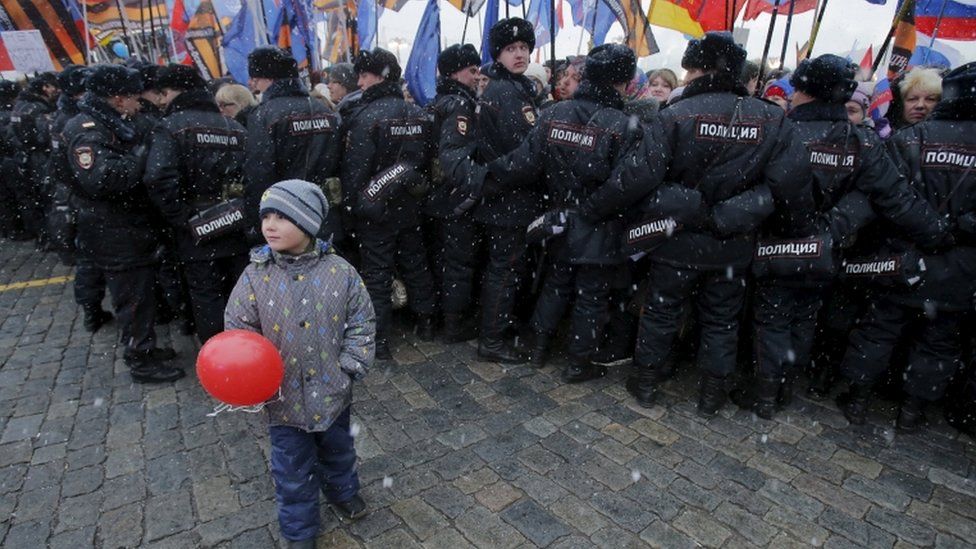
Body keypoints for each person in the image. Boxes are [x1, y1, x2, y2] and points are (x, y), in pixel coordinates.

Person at [580, 32, 786, 415]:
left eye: (690, 69)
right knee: (721, 319)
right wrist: (736, 213)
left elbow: (639, 176)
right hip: (732, 242)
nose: (686, 76)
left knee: (661, 311)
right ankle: (710, 395)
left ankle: (646, 381)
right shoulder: (771, 117)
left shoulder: (677, 114)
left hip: (677, 238)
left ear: (699, 68)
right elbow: (785, 184)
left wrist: (594, 208)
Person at [734, 55, 948, 420]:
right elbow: (894, 197)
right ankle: (783, 386)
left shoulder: (781, 131)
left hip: (778, 244)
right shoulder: (861, 141)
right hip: (827, 251)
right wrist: (938, 234)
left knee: (773, 319)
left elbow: (748, 187)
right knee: (803, 318)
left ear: (803, 91)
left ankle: (767, 392)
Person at [224, 179, 375, 548]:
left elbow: (362, 321)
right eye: (266, 217)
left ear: (307, 223)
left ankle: (342, 491)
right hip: (283, 401)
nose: (269, 225)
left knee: (339, 450)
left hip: (332, 390)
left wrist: (349, 365)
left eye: (281, 217)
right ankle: (300, 530)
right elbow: (238, 330)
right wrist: (250, 377)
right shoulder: (255, 277)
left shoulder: (341, 273)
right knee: (291, 469)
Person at [486, 44, 643, 382]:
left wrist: (484, 172)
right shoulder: (624, 124)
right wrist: (587, 211)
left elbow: (525, 162)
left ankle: (539, 346)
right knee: (591, 294)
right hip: (598, 221)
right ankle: (577, 362)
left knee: (556, 283)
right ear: (622, 82)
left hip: (560, 216)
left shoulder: (555, 113)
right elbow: (625, 184)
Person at [837, 62, 976, 433]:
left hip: (905, 255)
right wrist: (953, 230)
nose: (920, 104)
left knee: (880, 329)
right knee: (937, 340)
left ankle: (859, 397)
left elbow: (888, 199)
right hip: (956, 263)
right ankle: (911, 410)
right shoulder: (905, 138)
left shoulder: (909, 139)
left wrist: (930, 230)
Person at [61, 64, 183, 383]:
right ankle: (140, 359)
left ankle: (145, 347)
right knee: (131, 296)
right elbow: (104, 179)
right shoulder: (89, 129)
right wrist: (142, 155)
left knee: (141, 291)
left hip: (125, 224)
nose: (138, 103)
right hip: (112, 228)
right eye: (132, 97)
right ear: (117, 99)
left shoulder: (110, 122)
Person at [340, 47, 438, 359]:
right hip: (410, 206)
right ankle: (426, 321)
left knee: (377, 275)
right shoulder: (420, 115)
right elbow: (428, 166)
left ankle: (380, 339)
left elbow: (356, 171)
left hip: (375, 211)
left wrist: (355, 207)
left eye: (364, 75)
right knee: (415, 263)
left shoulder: (366, 116)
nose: (359, 82)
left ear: (379, 76)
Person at [143, 64, 249, 343]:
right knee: (238, 293)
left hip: (197, 227)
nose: (161, 101)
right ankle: (245, 353)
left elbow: (157, 178)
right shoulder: (234, 126)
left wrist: (184, 218)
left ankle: (220, 359)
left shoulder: (171, 127)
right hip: (234, 221)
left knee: (207, 294)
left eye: (163, 93)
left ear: (173, 92)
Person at [467, 17, 544, 363]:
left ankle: (499, 328)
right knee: (505, 269)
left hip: (508, 195)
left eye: (524, 47)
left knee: (506, 268)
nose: (520, 54)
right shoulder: (505, 91)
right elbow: (523, 151)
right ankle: (493, 339)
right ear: (498, 54)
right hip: (509, 196)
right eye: (511, 49)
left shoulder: (515, 86)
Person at [243, 47, 342, 246]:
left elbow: (259, 171)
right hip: (323, 208)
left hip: (284, 211)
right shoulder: (325, 111)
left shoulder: (265, 114)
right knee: (324, 268)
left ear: (269, 79)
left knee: (290, 271)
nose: (253, 84)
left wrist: (258, 219)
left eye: (256, 78)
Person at [426, 43, 483, 343]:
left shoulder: (438, 101)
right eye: (472, 70)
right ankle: (454, 324)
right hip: (453, 198)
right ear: (454, 72)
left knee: (442, 259)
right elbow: (453, 158)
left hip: (436, 197)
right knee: (458, 263)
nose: (477, 76)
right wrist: (476, 184)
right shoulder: (459, 105)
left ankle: (438, 316)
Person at [12, 72, 59, 245]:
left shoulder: (20, 106)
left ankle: (43, 235)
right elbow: (43, 136)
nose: (56, 90)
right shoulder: (38, 109)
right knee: (48, 199)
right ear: (44, 88)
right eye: (52, 86)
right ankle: (51, 237)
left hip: (25, 157)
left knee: (35, 199)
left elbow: (14, 135)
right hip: (39, 158)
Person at [0, 80, 27, 240]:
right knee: (19, 195)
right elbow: (11, 139)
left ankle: (9, 228)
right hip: (7, 159)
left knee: (5, 199)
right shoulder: (9, 115)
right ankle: (16, 228)